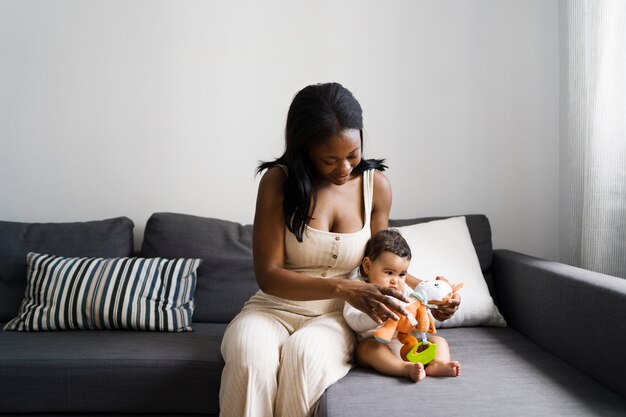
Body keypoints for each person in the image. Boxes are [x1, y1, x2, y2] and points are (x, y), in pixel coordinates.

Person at [219, 82, 460, 417]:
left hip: (335, 318)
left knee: (303, 356)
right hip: (271, 308)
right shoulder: (278, 182)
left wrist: (432, 297)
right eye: (330, 159)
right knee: (249, 356)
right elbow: (268, 276)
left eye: (352, 155)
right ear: (304, 149)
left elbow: (385, 266)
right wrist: (343, 286)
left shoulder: (376, 187)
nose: (344, 168)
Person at [343, 229, 461, 382]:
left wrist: (434, 306)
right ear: (367, 266)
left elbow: (419, 310)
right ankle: (403, 368)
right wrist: (375, 316)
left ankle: (438, 364)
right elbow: (352, 320)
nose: (395, 280)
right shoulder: (358, 289)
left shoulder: (404, 290)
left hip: (408, 344)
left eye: (402, 274)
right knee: (366, 350)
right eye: (389, 272)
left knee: (439, 341)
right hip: (378, 344)